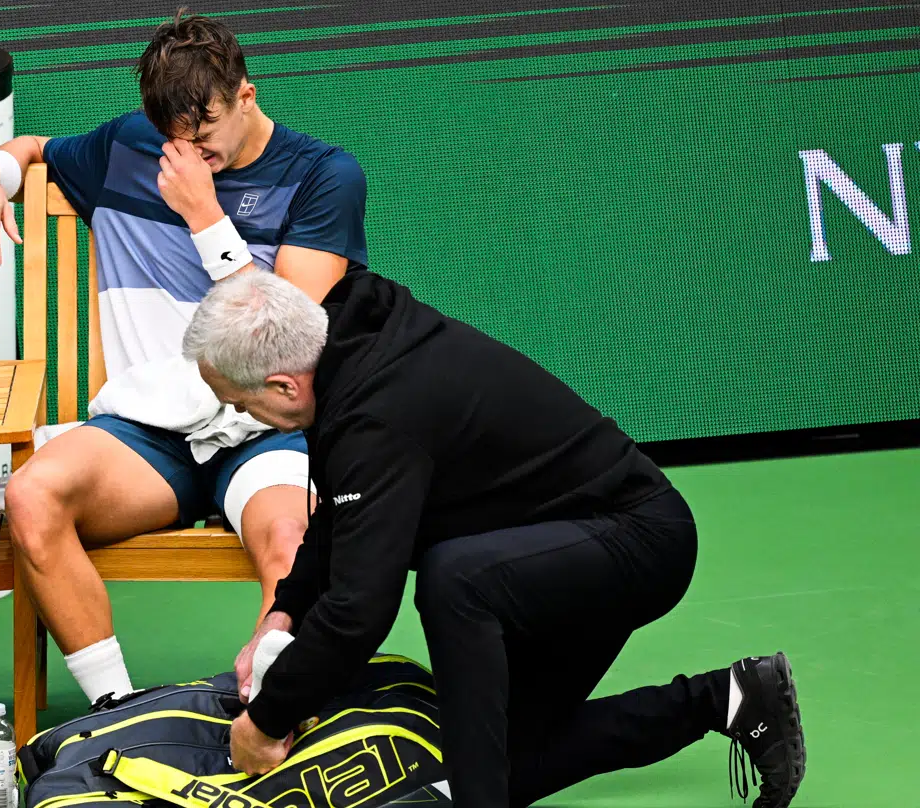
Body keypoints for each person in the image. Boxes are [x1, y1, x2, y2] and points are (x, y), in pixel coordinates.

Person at [181, 270, 807, 808]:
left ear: (285, 384)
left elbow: (360, 609)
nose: (242, 416)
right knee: (505, 766)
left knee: (456, 579)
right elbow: (346, 515)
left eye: (240, 403)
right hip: (543, 545)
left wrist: (266, 721)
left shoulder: (376, 416)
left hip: (633, 544)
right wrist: (284, 613)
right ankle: (725, 699)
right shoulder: (345, 343)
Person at [0, 11, 367, 705]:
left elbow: (283, 337)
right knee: (31, 495)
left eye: (204, 139)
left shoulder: (325, 176)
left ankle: (276, 712)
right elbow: (33, 148)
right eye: (174, 141)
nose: (187, 158)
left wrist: (207, 219)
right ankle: (119, 714)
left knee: (293, 541)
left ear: (246, 95)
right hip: (149, 443)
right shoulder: (128, 147)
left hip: (267, 431)